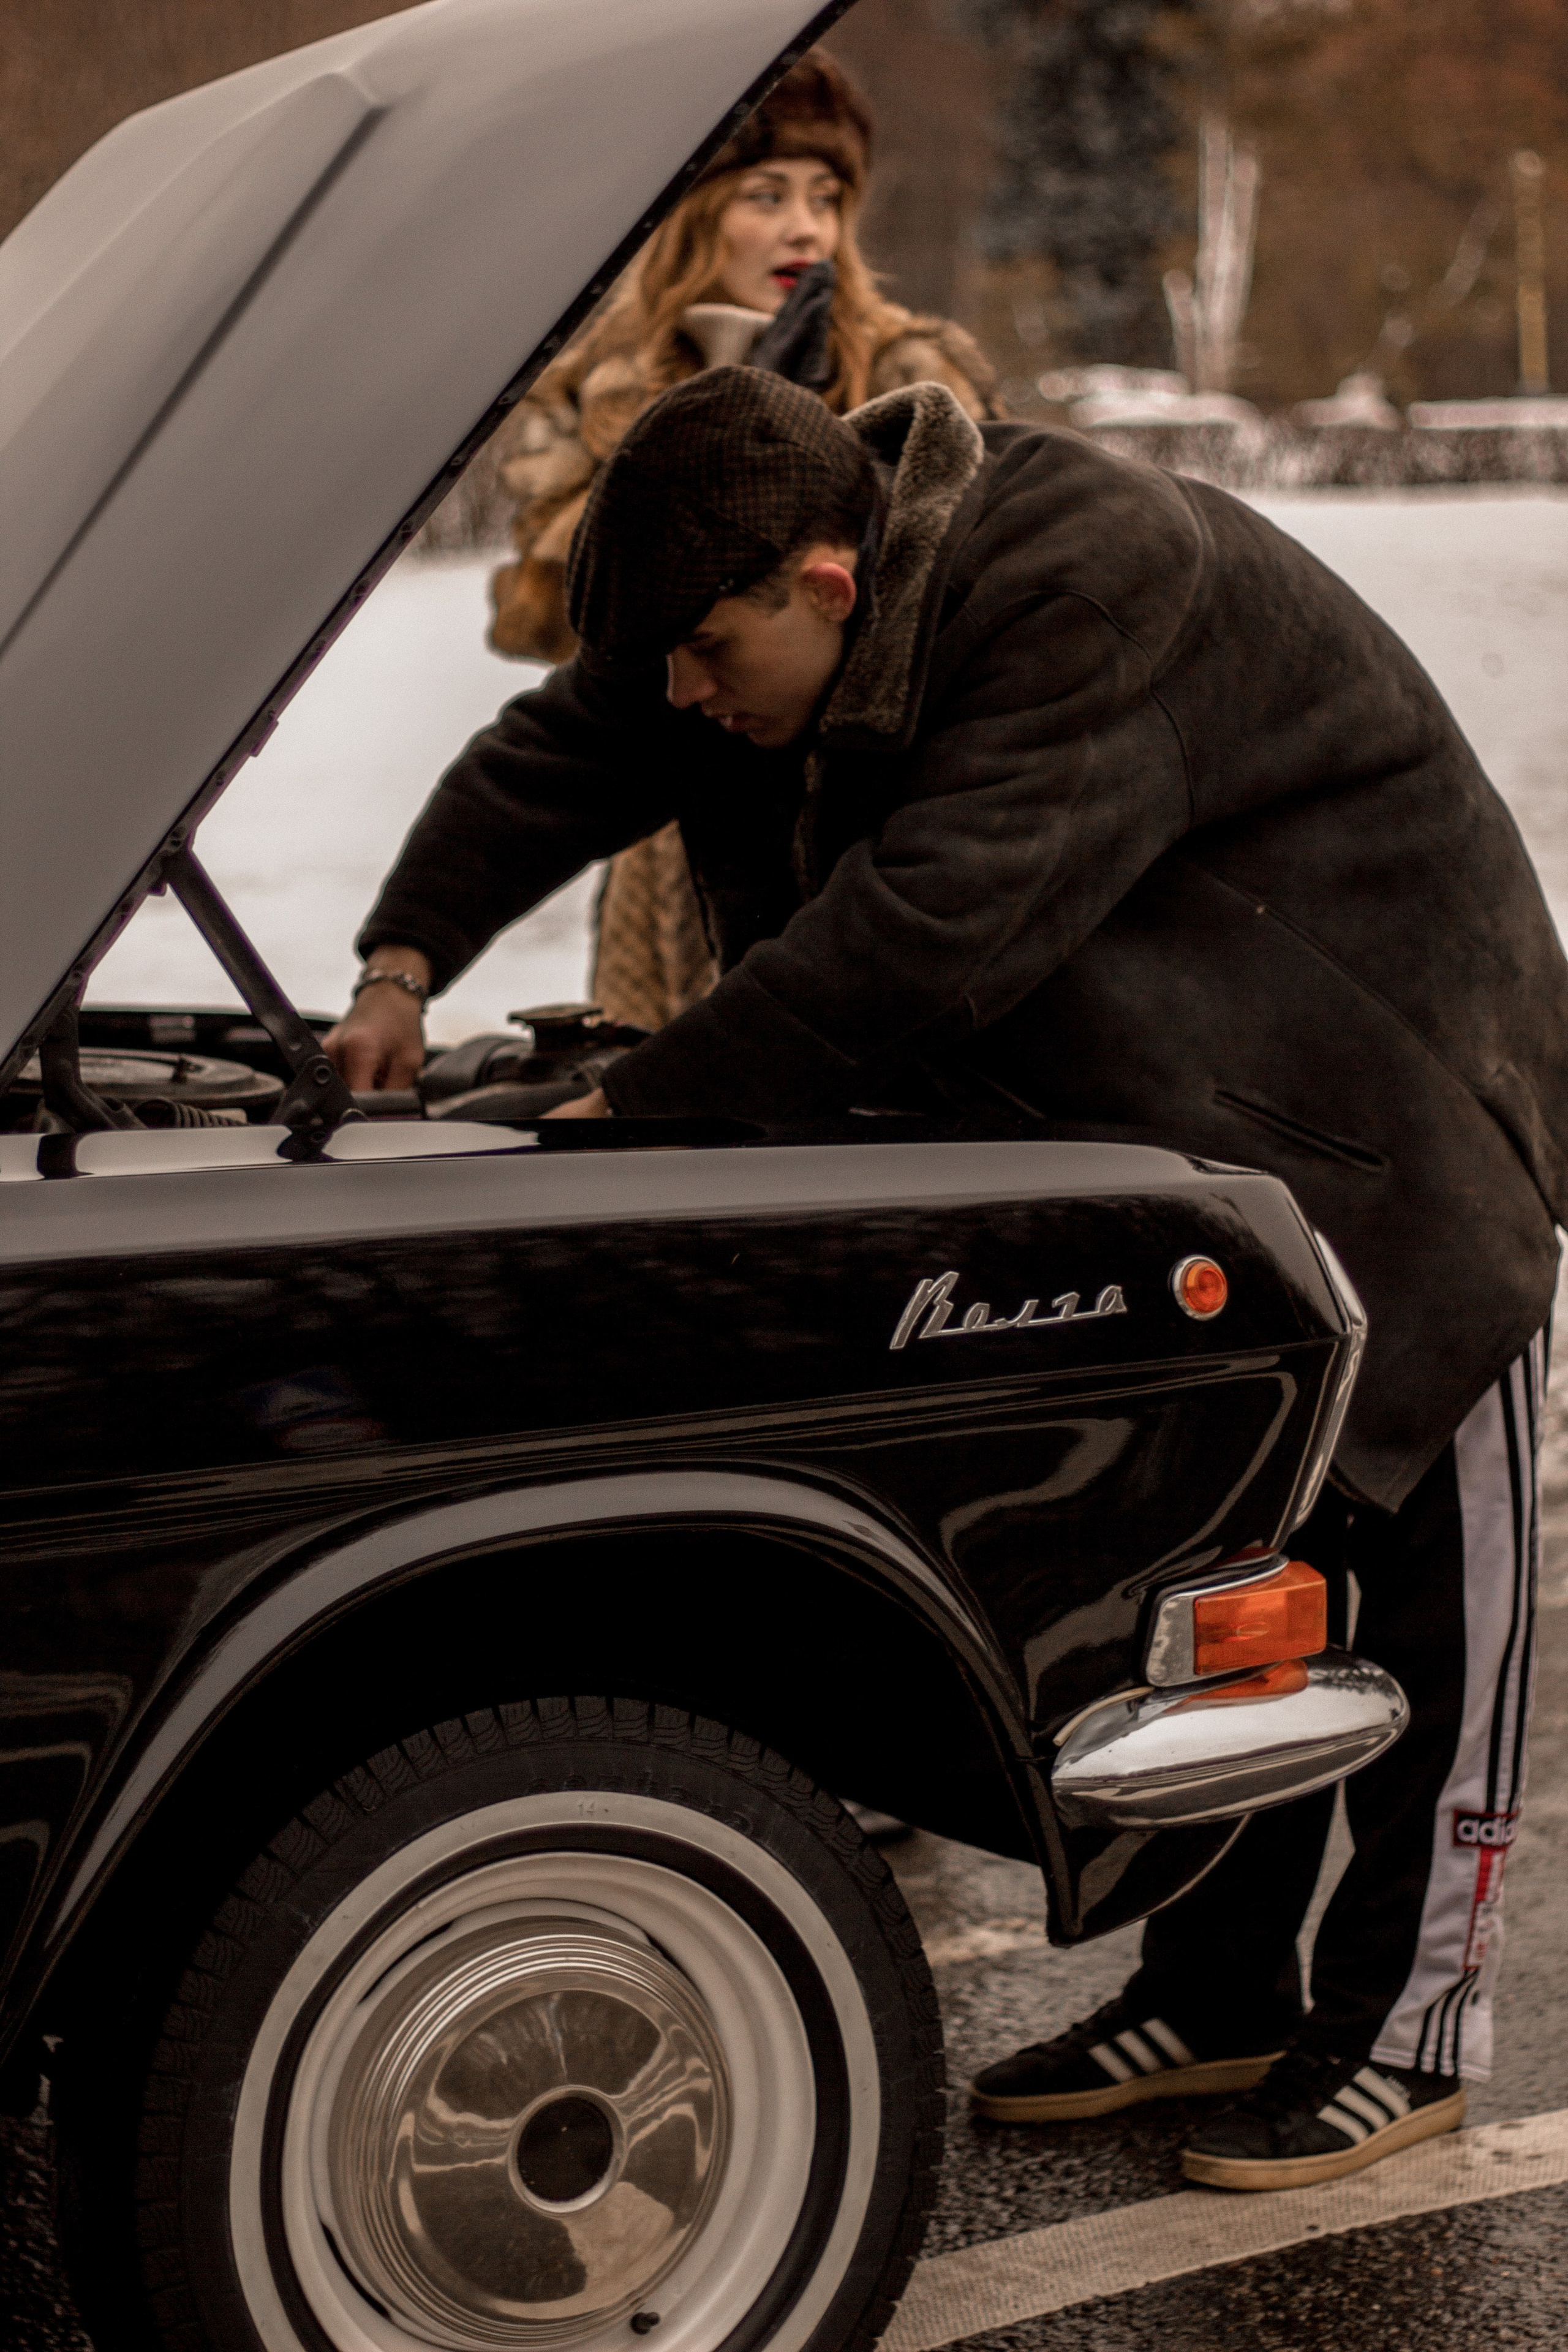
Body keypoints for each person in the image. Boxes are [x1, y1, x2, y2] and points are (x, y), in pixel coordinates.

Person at [327, 365, 1568, 2191]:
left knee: (1420, 1612)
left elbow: (928, 929)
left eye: (703, 659)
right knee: (1238, 1596)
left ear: (826, 582)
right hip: (1194, 1171)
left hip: (1399, 1143)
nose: (683, 698)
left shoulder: (1086, 578)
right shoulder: (737, 594)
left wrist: (644, 1105)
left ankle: (1410, 2030)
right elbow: (569, 745)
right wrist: (399, 961)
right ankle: (1219, 1993)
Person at [482, 47, 1000, 1033]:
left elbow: (960, 605)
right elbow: (556, 628)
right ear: (694, 209)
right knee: (664, 1112)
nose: (805, 225)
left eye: (826, 195)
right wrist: (690, 435)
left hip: (860, 829)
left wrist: (810, 429)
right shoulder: (601, 387)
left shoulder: (910, 367)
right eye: (766, 193)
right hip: (667, 843)